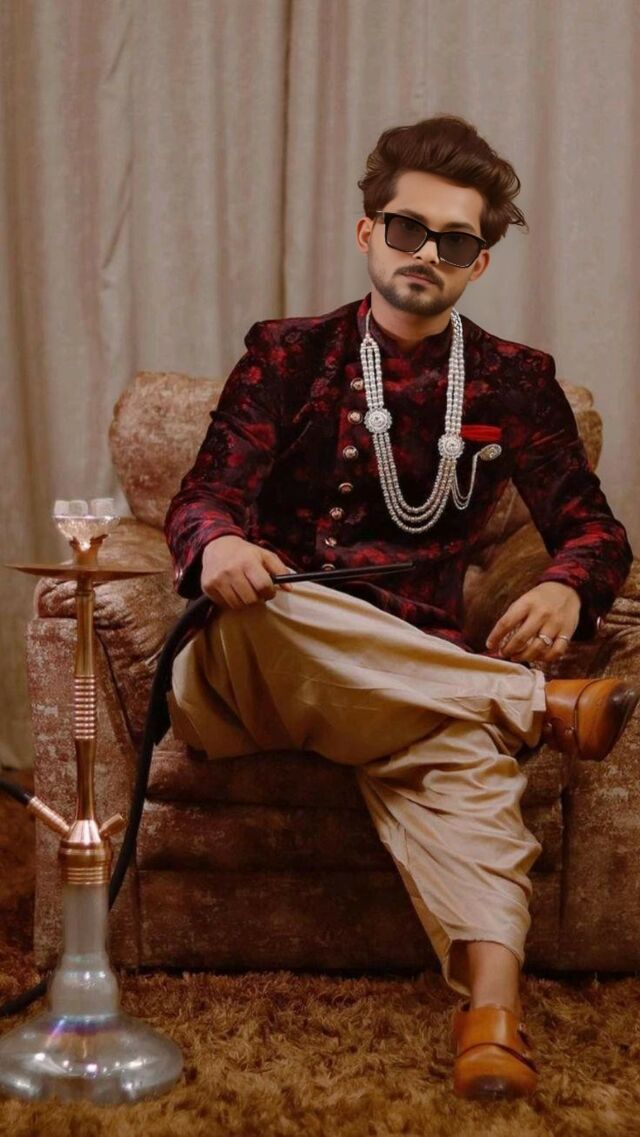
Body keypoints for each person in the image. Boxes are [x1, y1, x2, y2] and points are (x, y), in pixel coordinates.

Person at [164, 115, 636, 1101]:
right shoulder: (288, 355)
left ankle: (491, 1019)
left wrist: (564, 582)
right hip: (262, 661)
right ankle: (524, 702)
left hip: (410, 675)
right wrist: (220, 546)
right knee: (271, 607)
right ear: (367, 232)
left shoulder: (513, 381)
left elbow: (594, 531)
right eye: (407, 228)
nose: (426, 252)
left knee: (466, 762)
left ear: (479, 262)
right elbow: (203, 496)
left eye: (453, 241)